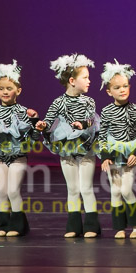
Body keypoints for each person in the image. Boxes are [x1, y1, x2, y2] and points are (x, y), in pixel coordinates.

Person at [35, 53, 100, 238]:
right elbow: (48, 120)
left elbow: (91, 119)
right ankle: (73, 225)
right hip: (67, 148)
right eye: (85, 77)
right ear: (72, 81)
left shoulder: (89, 101)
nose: (89, 81)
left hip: (85, 147)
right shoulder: (58, 102)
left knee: (86, 187)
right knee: (72, 188)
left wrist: (82, 124)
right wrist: (42, 125)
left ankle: (92, 225)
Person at [0, 60, 39, 236]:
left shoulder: (23, 111)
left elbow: (34, 137)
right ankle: (3, 224)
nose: (5, 92)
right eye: (1, 88)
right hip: (0, 157)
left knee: (13, 191)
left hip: (17, 156)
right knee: (1, 191)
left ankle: (18, 225)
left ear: (18, 90)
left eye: (9, 88)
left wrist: (35, 121)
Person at [98, 60, 136, 239]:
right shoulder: (106, 111)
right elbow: (102, 136)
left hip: (130, 154)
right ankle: (119, 227)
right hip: (113, 154)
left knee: (126, 190)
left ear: (130, 87)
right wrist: (104, 156)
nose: (122, 90)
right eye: (117, 87)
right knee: (115, 191)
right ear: (109, 91)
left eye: (125, 86)